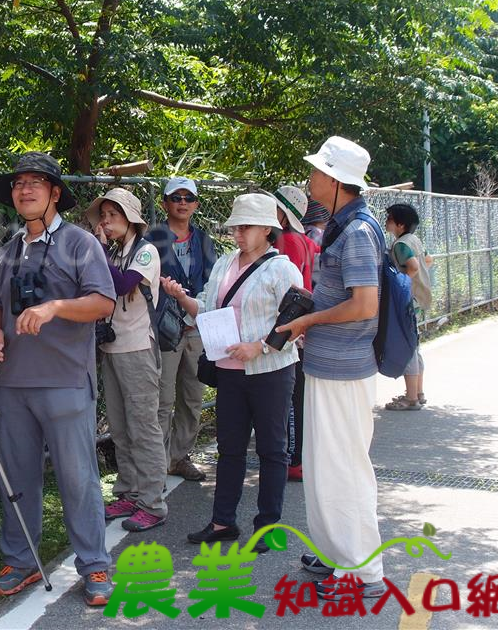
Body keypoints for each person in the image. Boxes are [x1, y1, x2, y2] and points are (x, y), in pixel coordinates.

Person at [0, 152, 116, 607]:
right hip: (13, 382)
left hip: (64, 380)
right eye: (19, 182)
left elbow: (103, 303)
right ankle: (20, 561)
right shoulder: (8, 247)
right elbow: (0, 303)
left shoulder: (80, 243)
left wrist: (56, 307)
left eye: (36, 182)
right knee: (16, 478)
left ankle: (94, 565)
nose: (25, 189)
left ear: (55, 193)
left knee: (78, 478)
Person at [274, 136, 386, 601]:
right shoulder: (345, 224)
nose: (310, 177)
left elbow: (364, 305)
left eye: (317, 171)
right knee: (325, 466)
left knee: (344, 469)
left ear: (337, 181)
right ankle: (338, 554)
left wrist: (308, 319)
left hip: (343, 367)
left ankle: (362, 571)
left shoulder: (356, 232)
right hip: (329, 363)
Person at [162, 194, 303, 553]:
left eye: (246, 227)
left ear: (266, 229)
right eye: (235, 227)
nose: (238, 233)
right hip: (228, 370)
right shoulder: (225, 262)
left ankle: (267, 526)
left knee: (273, 450)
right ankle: (222, 520)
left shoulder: (281, 268)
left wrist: (261, 346)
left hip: (270, 370)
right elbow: (207, 308)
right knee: (230, 448)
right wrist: (182, 298)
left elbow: (296, 319)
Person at [87, 188, 167, 532]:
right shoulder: (116, 251)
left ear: (131, 218)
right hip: (113, 349)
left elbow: (121, 285)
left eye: (113, 216)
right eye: (103, 216)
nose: (105, 222)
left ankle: (153, 502)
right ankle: (129, 492)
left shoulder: (144, 252)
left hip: (137, 348)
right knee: (120, 428)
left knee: (144, 428)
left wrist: (100, 249)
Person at [145, 177, 217, 482]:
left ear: (196, 205)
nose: (183, 203)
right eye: (176, 197)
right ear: (165, 203)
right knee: (162, 399)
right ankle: (157, 463)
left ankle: (179, 456)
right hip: (164, 328)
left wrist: (193, 308)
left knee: (192, 396)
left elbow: (212, 282)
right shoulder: (152, 238)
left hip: (196, 326)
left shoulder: (203, 239)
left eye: (189, 198)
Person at [270, 185, 320, 483]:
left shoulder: (287, 240)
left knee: (290, 400)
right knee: (297, 396)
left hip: (291, 326)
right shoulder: (304, 239)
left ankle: (293, 459)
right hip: (304, 325)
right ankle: (298, 456)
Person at [383, 203, 433, 411]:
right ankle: (418, 392)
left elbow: (412, 266)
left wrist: (400, 283)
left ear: (400, 224)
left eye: (390, 219)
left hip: (408, 300)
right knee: (415, 345)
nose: (386, 222)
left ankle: (411, 398)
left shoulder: (400, 245)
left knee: (408, 346)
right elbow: (427, 260)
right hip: (420, 298)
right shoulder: (414, 240)